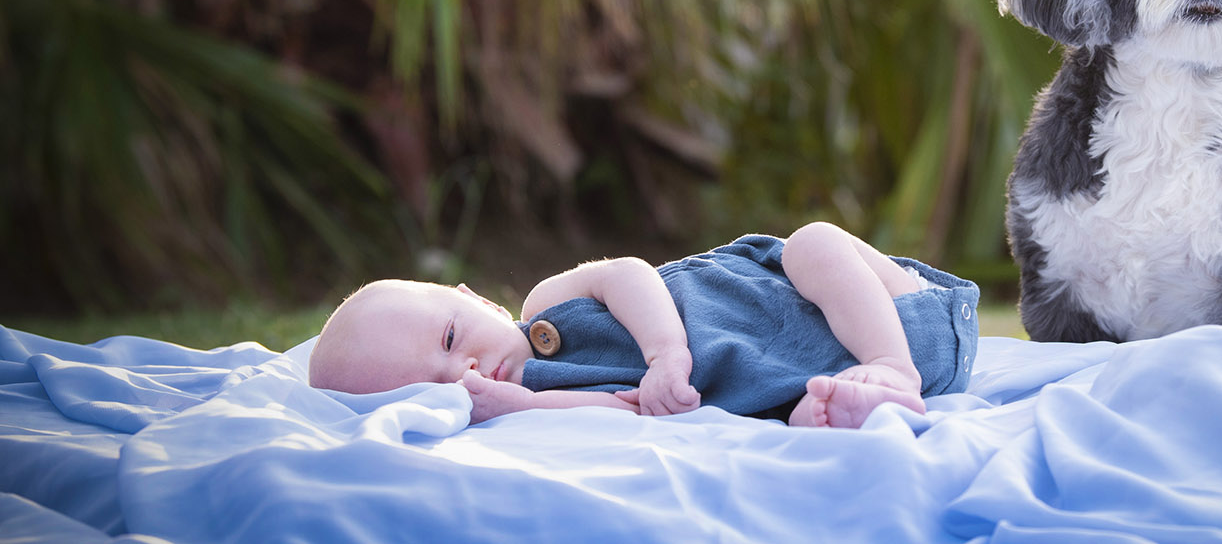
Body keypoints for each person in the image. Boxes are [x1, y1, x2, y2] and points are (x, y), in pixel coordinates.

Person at [308, 222, 980, 429]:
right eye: (434, 387)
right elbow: (625, 411)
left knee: (812, 243)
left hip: (885, 311)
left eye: (451, 341)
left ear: (477, 300)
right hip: (816, 371)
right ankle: (865, 399)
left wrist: (664, 351)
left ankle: (893, 366)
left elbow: (626, 273)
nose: (466, 374)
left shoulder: (544, 305)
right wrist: (519, 405)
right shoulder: (531, 404)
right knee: (805, 416)